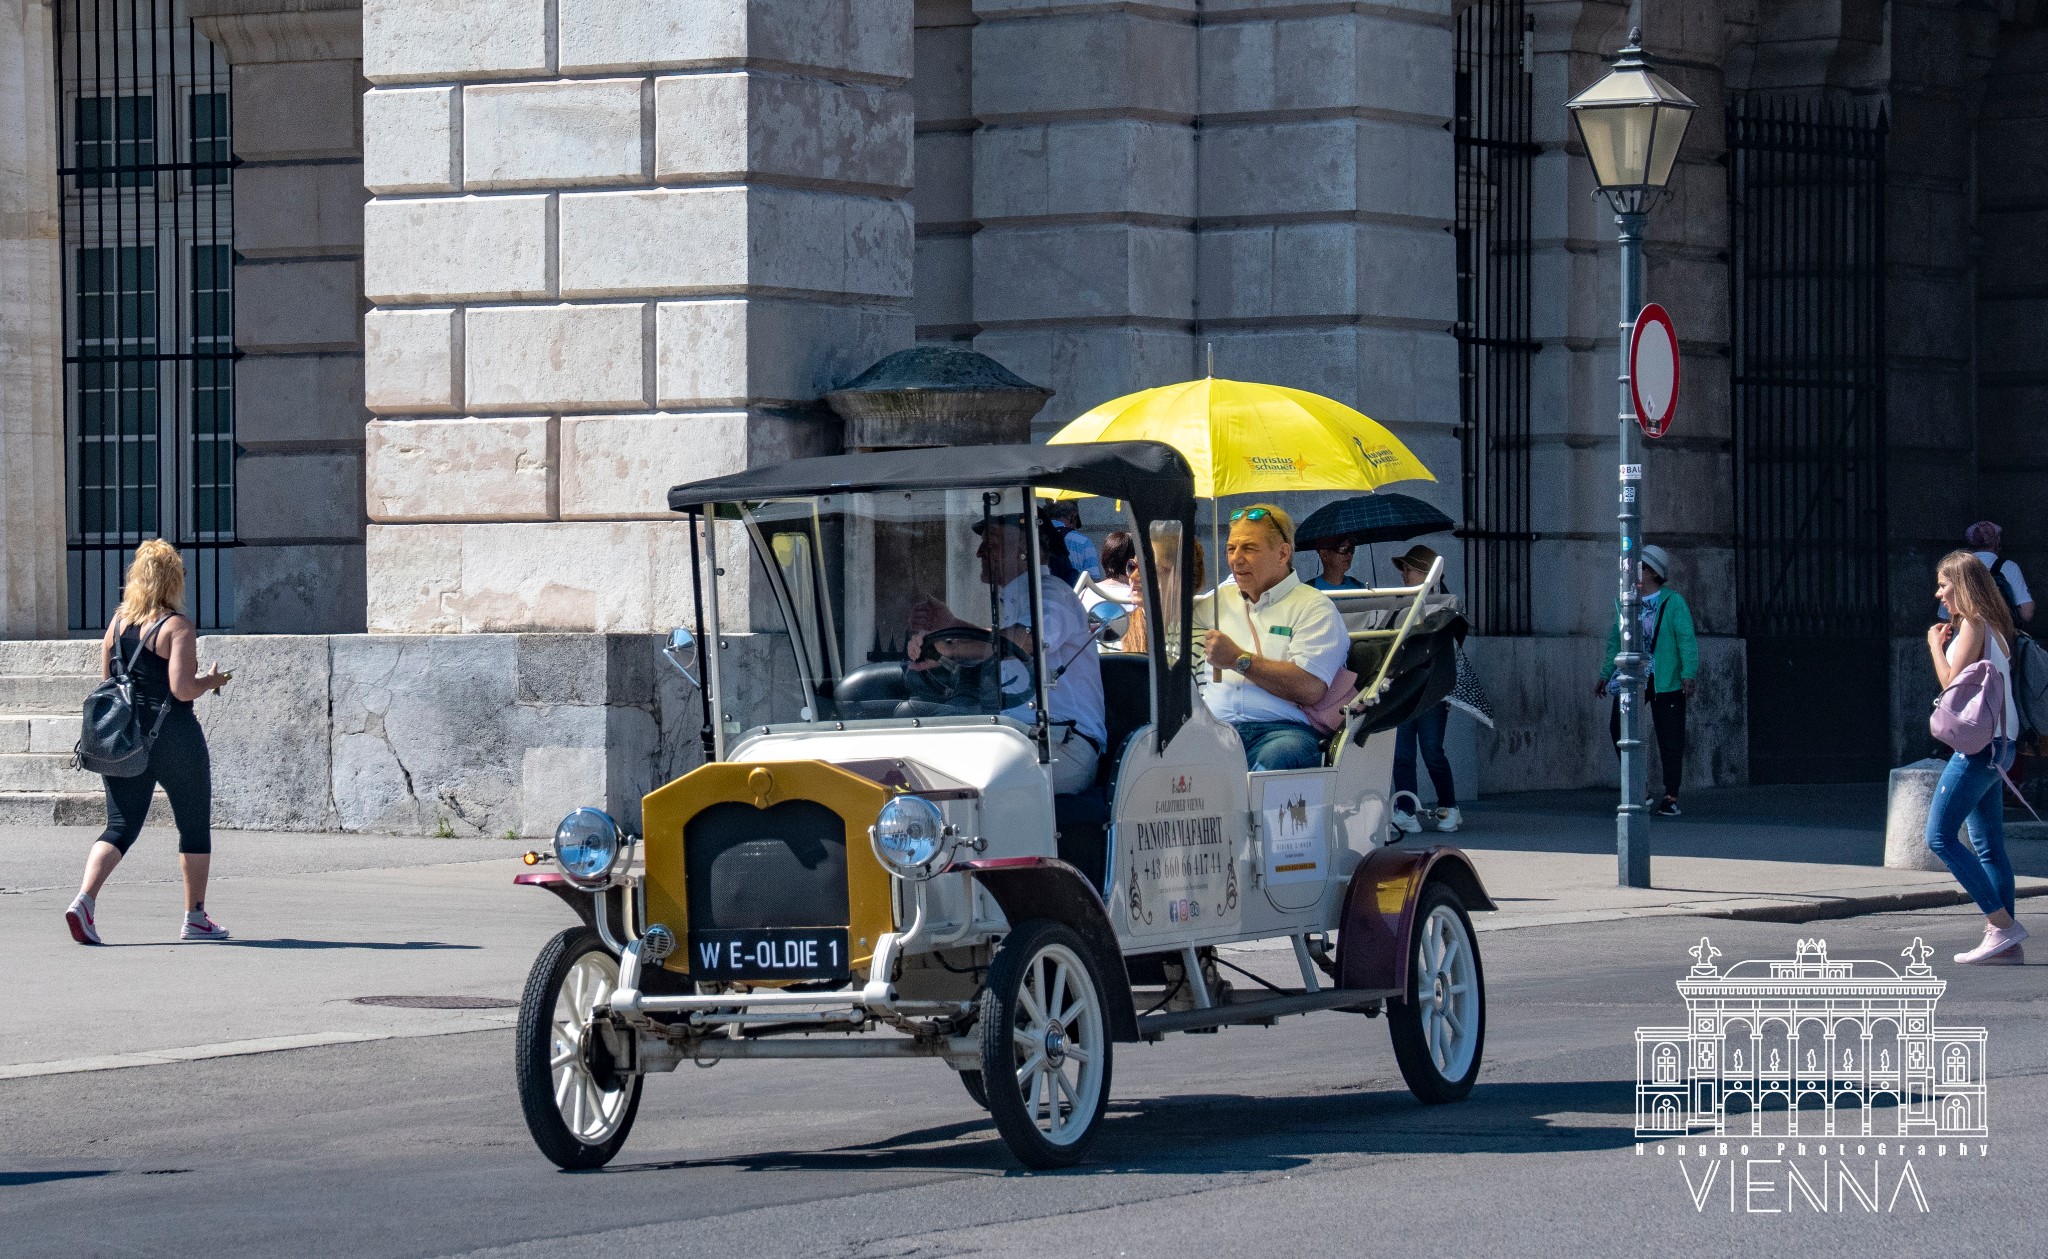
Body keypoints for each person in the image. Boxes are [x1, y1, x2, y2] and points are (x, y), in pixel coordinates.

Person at [65, 540, 231, 946]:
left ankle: (84, 901)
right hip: (175, 736)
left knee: (120, 826)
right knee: (192, 825)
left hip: (125, 737)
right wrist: (213, 681)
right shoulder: (177, 626)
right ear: (174, 580)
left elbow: (108, 680)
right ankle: (195, 918)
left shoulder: (118, 623)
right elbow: (182, 689)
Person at [907, 509, 1107, 794]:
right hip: (1012, 736)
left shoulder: (1052, 593)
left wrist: (950, 648)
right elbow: (1003, 640)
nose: (979, 553)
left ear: (1024, 550)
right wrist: (950, 628)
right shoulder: (1020, 598)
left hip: (1061, 744)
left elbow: (1025, 641)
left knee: (966, 783)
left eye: (992, 545)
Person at [1924, 550, 2029, 965]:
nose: (1939, 593)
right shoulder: (1997, 625)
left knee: (1939, 836)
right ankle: (2005, 946)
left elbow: (1951, 683)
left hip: (1979, 748)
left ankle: (2001, 925)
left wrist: (1935, 645)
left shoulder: (1974, 623)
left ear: (1962, 585)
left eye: (1944, 585)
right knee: (1989, 846)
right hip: (2002, 742)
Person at [1194, 504, 1349, 771]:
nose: (1236, 559)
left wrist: (1237, 659)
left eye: (1249, 548)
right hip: (1213, 730)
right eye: (1231, 549)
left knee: (1276, 758)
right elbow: (1169, 636)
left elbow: (1309, 688)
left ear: (1283, 553)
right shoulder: (1215, 603)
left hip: (1282, 732)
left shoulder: (1313, 606)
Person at [1594, 543, 1698, 817]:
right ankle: (1640, 788)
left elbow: (1686, 639)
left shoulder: (1673, 602)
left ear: (1651, 572)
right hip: (1632, 677)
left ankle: (1671, 795)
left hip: (1666, 679)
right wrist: (1606, 674)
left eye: (1639, 566)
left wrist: (1688, 673)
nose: (1633, 570)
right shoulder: (1626, 600)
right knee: (1618, 728)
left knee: (1670, 736)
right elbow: (1615, 640)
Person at [1388, 545, 1459, 834]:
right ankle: (1406, 810)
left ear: (1426, 573)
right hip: (1404, 689)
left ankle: (1449, 808)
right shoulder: (1397, 602)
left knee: (1432, 751)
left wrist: (1448, 691)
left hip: (1431, 691)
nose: (1404, 574)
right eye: (1403, 569)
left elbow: (1452, 653)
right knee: (1402, 753)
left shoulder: (1445, 605)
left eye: (1409, 568)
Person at [1966, 521, 2034, 626]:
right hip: (1999, 636)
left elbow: (1945, 617)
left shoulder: (1956, 568)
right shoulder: (2009, 567)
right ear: (1998, 541)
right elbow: (2027, 614)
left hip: (1965, 636)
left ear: (1970, 544)